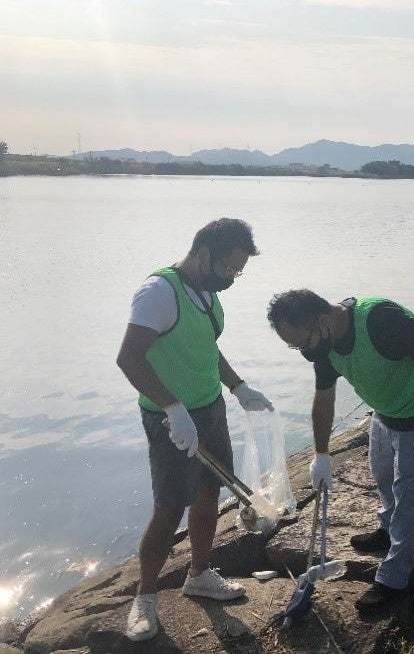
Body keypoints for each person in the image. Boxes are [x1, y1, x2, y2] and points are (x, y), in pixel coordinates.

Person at [116, 218, 273, 642]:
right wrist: (172, 407)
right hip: (170, 418)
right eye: (227, 267)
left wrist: (238, 386)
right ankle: (145, 597)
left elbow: (205, 344)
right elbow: (129, 358)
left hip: (209, 408)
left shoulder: (205, 289)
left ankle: (199, 574)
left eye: (238, 271)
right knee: (170, 507)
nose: (231, 277)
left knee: (208, 495)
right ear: (203, 253)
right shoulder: (159, 292)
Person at [266, 290, 414, 615]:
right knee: (383, 476)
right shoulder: (325, 346)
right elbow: (324, 398)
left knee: (411, 496)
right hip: (384, 414)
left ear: (321, 319)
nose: (304, 351)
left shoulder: (380, 320)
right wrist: (321, 454)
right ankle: (387, 531)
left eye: (303, 342)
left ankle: (394, 580)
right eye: (295, 347)